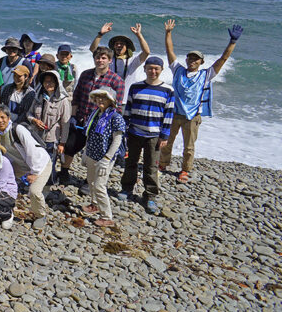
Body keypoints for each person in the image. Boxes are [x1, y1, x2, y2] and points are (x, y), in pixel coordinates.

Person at [159, 20, 241, 183]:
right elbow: (170, 51)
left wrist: (232, 42)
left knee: (189, 147)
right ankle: (162, 164)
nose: (192, 60)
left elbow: (223, 59)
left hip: (193, 116)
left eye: (196, 59)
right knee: (166, 141)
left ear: (201, 62)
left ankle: (185, 170)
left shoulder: (206, 74)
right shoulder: (178, 70)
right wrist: (168, 33)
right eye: (190, 58)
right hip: (174, 114)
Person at [60, 46, 125, 184]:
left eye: (103, 58)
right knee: (70, 146)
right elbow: (76, 96)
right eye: (97, 57)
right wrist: (73, 116)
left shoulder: (116, 80)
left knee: (95, 152)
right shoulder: (85, 74)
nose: (100, 60)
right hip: (81, 120)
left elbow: (116, 106)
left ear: (110, 60)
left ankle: (89, 181)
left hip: (100, 124)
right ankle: (64, 172)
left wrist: (108, 127)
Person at [120, 56, 175, 214]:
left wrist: (164, 136)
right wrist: (125, 129)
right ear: (144, 69)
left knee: (151, 166)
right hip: (135, 132)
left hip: (154, 135)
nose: (153, 71)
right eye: (150, 68)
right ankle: (127, 189)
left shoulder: (168, 90)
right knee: (131, 162)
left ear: (161, 70)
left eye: (156, 69)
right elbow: (128, 109)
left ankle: (150, 196)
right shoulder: (135, 87)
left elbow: (169, 115)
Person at [0, 104, 53, 221]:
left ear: (9, 118)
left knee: (34, 192)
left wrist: (35, 173)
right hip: (19, 165)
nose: (0, 121)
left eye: (3, 117)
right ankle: (3, 207)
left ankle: (40, 215)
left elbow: (32, 150)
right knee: (0, 183)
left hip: (40, 163)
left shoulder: (18, 129)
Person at [81, 87, 127, 227]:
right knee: (90, 181)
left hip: (104, 157)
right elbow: (89, 134)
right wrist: (85, 152)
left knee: (100, 185)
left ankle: (107, 216)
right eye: (98, 97)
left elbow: (117, 140)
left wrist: (107, 159)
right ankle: (95, 204)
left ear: (111, 100)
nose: (100, 100)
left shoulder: (115, 117)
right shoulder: (95, 114)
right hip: (91, 153)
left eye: (104, 97)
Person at [89, 22, 151, 95]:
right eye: (116, 44)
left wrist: (139, 35)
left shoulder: (133, 60)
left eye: (121, 44)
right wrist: (100, 34)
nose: (119, 45)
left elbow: (146, 52)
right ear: (113, 47)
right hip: (109, 98)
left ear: (127, 47)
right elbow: (93, 49)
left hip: (127, 99)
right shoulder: (109, 59)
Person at [28, 70, 70, 173]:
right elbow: (28, 114)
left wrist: (62, 143)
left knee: (49, 163)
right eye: (46, 81)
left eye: (51, 81)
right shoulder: (38, 97)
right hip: (36, 136)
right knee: (36, 161)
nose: (48, 84)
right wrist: (34, 120)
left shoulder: (63, 100)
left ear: (57, 83)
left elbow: (65, 124)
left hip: (52, 139)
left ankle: (47, 185)